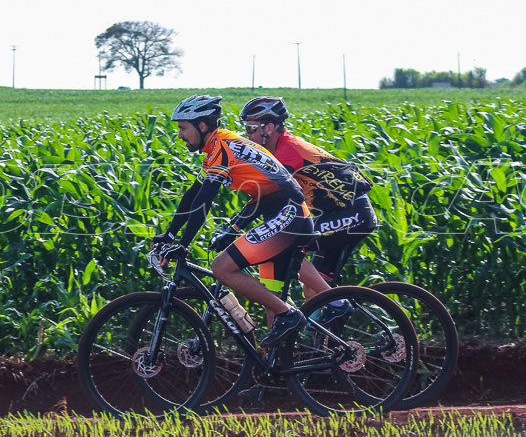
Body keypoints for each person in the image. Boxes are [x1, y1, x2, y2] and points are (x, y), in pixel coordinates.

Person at [153, 94, 332, 346]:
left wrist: (184, 244)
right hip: (284, 216)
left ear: (202, 126)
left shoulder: (224, 146)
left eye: (183, 128)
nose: (180, 135)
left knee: (222, 267)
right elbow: (193, 194)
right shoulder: (217, 147)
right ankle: (275, 377)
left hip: (289, 215)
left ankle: (292, 315)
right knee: (272, 301)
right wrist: (170, 234)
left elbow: (204, 201)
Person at [239, 96, 378, 320]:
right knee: (314, 290)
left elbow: (263, 195)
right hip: (338, 214)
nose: (247, 134)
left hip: (352, 213)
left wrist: (234, 227)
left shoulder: (288, 150)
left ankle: (338, 304)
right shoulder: (277, 151)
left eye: (251, 128)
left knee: (288, 244)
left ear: (270, 127)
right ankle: (327, 346)